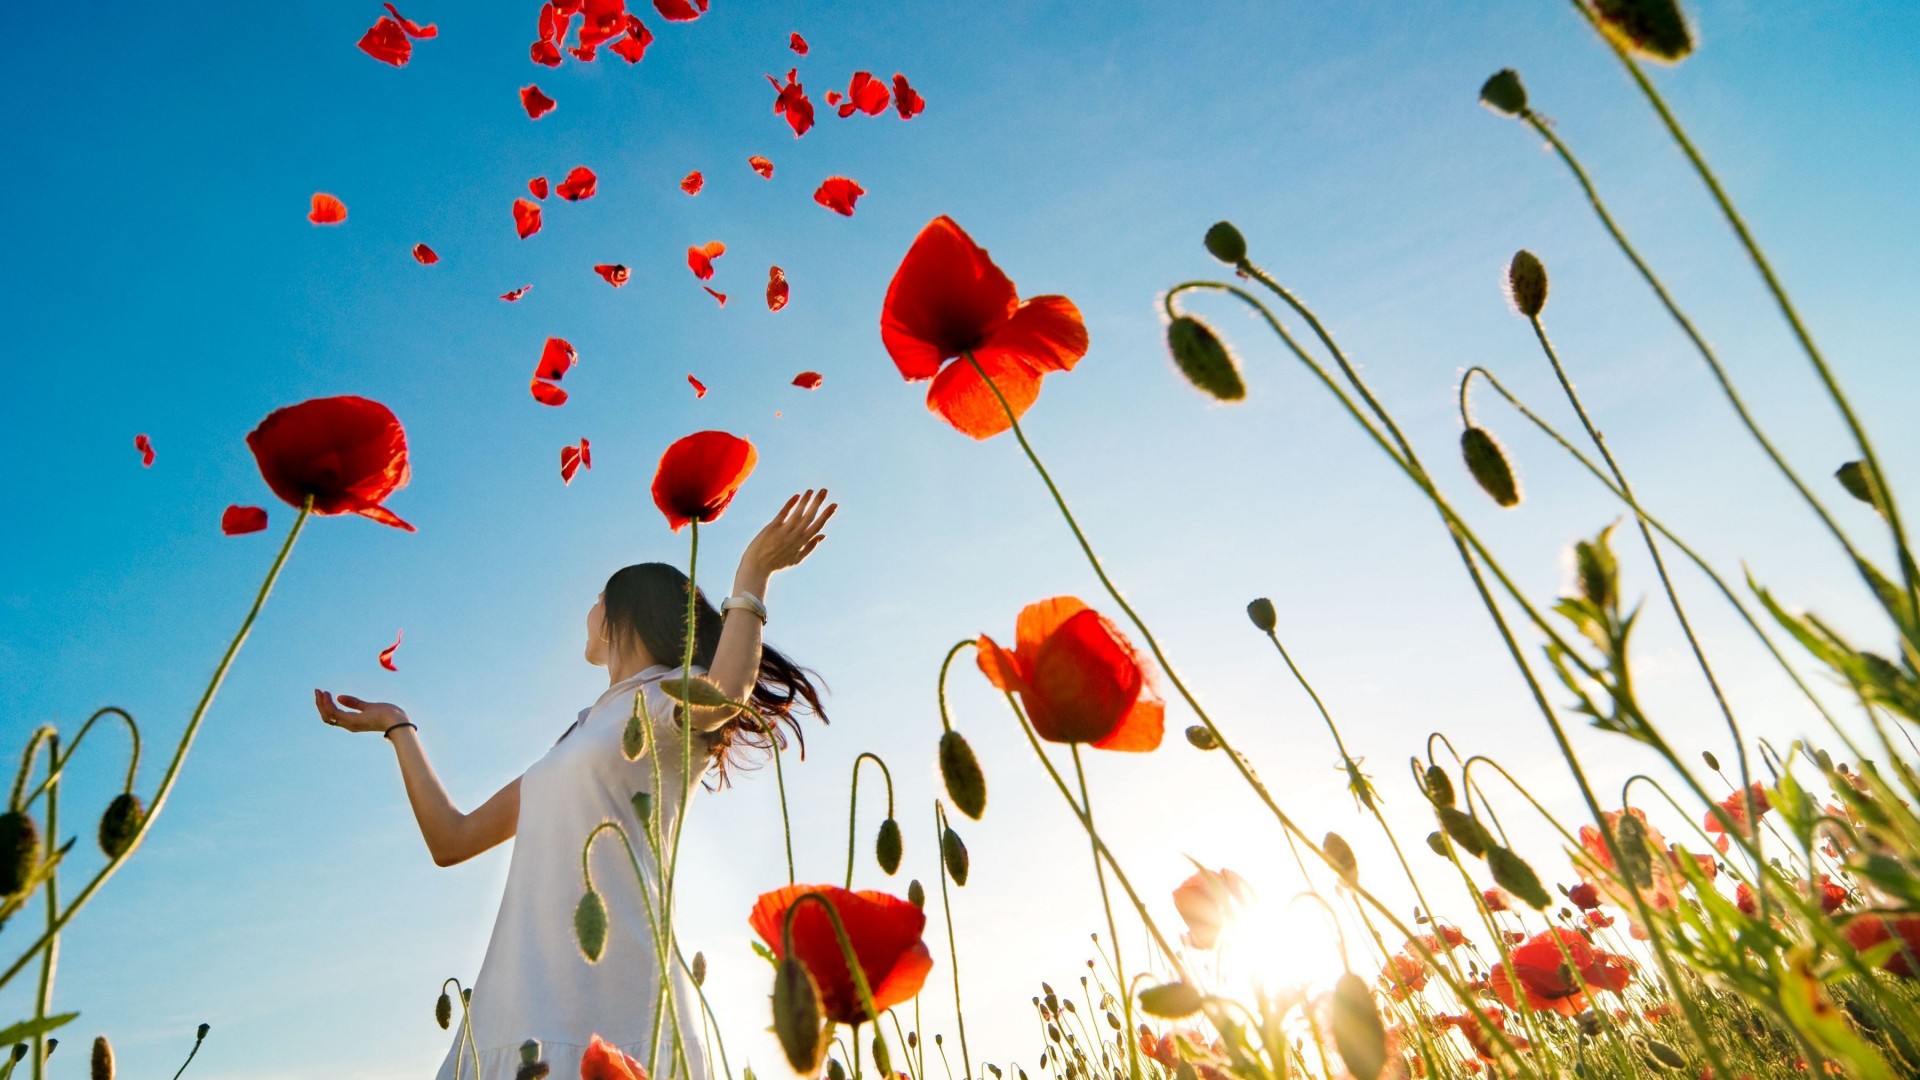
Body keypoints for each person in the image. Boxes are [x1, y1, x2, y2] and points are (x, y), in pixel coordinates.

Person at [313, 490, 837, 1080]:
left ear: (626, 612)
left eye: (596, 602)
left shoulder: (670, 694)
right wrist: (397, 725)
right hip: (513, 1003)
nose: (586, 614)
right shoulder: (579, 736)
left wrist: (752, 575)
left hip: (612, 999)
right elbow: (451, 839)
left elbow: (726, 693)